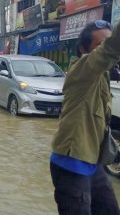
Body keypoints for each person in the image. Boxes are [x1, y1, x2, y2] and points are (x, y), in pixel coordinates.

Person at [50, 20, 120, 215]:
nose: (105, 49)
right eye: (100, 45)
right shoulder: (81, 71)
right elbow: (111, 49)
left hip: (93, 162)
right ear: (83, 50)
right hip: (71, 163)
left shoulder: (103, 77)